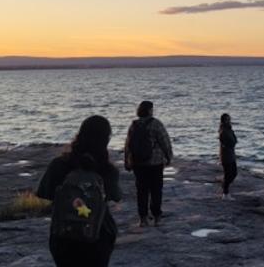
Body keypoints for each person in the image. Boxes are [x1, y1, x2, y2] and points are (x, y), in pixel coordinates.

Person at [37, 115, 122, 267]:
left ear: (80, 134)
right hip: (98, 235)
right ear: (106, 140)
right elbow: (116, 196)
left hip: (63, 235)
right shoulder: (108, 170)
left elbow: (45, 193)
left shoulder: (59, 164)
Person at [124, 100, 173, 227]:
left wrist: (127, 161)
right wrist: (169, 157)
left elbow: (127, 144)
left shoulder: (134, 125)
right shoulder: (156, 124)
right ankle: (157, 217)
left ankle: (143, 219)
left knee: (141, 191)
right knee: (156, 190)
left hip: (138, 163)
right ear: (150, 110)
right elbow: (165, 141)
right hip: (155, 162)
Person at [219, 113, 238, 199]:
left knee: (234, 173)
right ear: (224, 121)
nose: (229, 121)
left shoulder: (229, 129)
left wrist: (233, 143)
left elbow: (234, 140)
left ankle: (224, 187)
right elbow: (225, 142)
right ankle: (225, 193)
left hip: (231, 154)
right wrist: (230, 145)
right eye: (227, 119)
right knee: (228, 174)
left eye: (229, 119)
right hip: (226, 156)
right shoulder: (223, 130)